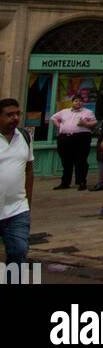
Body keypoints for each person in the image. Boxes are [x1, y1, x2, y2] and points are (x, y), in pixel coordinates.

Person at [0, 99, 33, 276]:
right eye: (9, 115)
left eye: (17, 114)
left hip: (17, 209)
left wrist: (28, 202)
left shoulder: (24, 136)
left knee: (19, 251)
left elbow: (29, 170)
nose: (15, 118)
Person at [49, 92, 97, 191]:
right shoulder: (64, 111)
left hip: (82, 138)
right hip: (65, 138)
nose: (78, 103)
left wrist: (85, 124)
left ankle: (81, 182)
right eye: (76, 101)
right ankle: (65, 182)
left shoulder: (88, 112)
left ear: (83, 103)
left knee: (81, 160)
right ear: (72, 102)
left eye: (80, 101)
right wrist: (59, 126)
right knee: (66, 161)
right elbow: (53, 118)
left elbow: (94, 123)